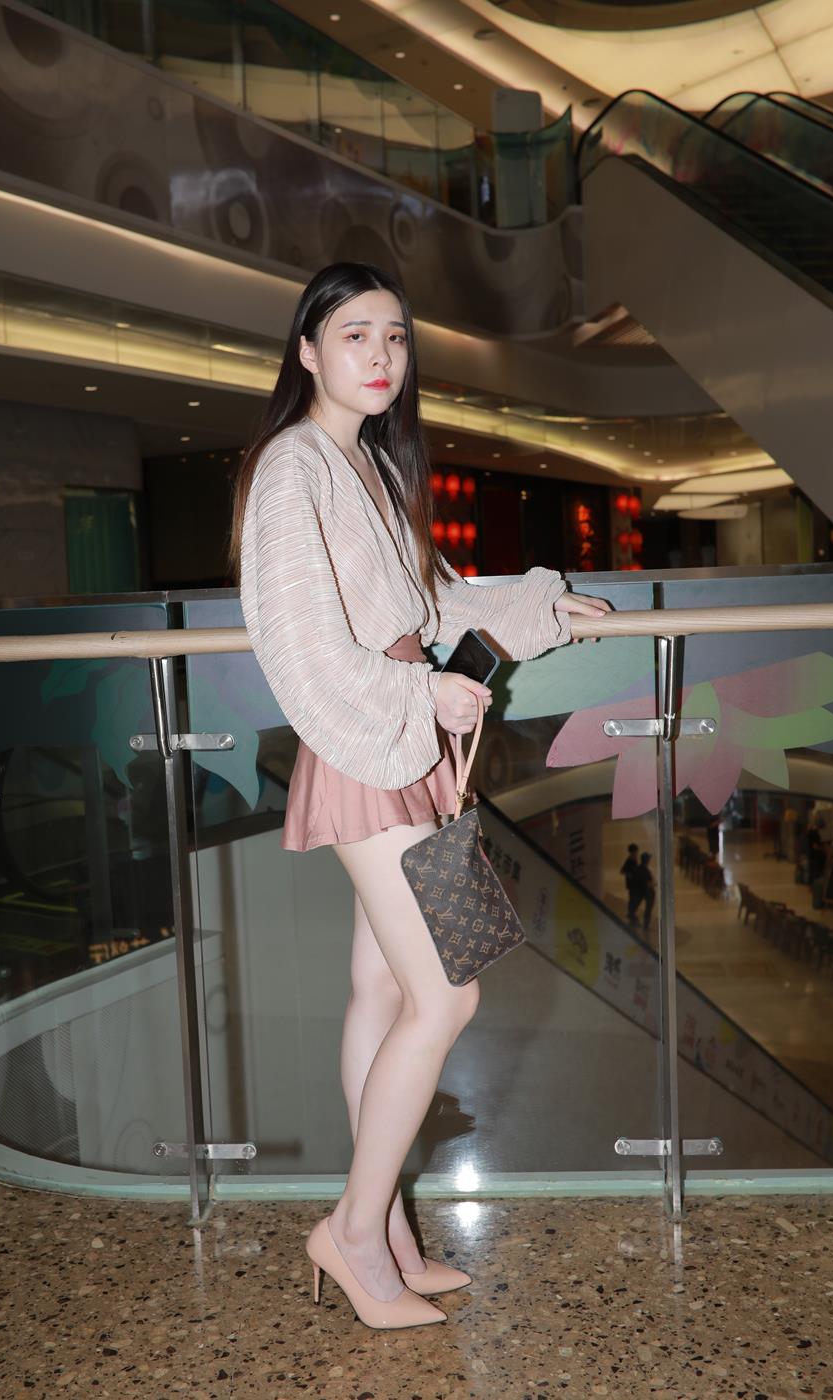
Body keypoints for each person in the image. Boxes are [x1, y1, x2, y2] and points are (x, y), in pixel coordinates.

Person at [229, 261, 611, 1331]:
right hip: (369, 741)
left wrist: (540, 607)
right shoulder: (294, 465)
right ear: (306, 350)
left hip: (398, 736)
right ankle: (354, 1232)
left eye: (394, 337)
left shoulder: (362, 461)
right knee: (445, 997)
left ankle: (387, 1228)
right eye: (355, 334)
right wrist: (417, 691)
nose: (380, 356)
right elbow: (296, 644)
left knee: (382, 992)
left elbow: (431, 601)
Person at [629, 852, 655, 933]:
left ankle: (633, 920)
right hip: (645, 892)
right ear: (647, 861)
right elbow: (649, 883)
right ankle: (645, 923)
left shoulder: (637, 869)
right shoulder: (646, 871)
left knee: (634, 906)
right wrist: (653, 884)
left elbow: (632, 878)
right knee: (648, 908)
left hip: (637, 891)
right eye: (648, 859)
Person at [621, 843, 639, 920]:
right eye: (636, 851)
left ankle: (631, 912)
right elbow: (623, 870)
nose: (637, 853)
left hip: (634, 883)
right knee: (633, 898)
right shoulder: (629, 860)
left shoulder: (634, 859)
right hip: (632, 883)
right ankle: (631, 913)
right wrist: (630, 875)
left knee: (633, 898)